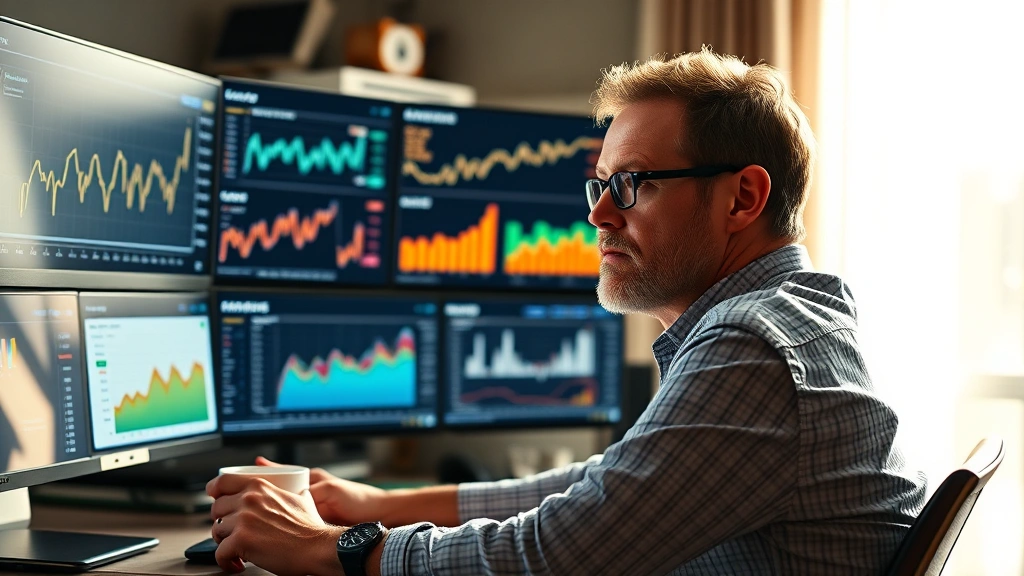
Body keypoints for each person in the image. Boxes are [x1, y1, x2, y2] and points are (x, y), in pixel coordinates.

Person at [206, 48, 926, 576]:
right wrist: (374, 504)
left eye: (634, 184)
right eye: (601, 185)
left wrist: (323, 549)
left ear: (742, 197)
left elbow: (557, 554)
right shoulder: (793, 320)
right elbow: (606, 489)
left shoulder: (754, 349)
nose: (601, 216)